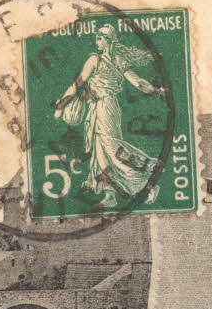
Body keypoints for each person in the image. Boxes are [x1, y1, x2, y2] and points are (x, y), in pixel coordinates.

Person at [53, 25, 166, 207]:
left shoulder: (94, 59)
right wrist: (156, 90)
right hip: (101, 107)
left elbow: (78, 83)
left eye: (99, 37)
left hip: (104, 107)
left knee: (112, 149)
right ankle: (110, 194)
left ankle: (148, 185)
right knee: (99, 151)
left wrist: (61, 104)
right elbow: (138, 83)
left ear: (108, 41)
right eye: (96, 37)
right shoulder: (118, 60)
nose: (96, 40)